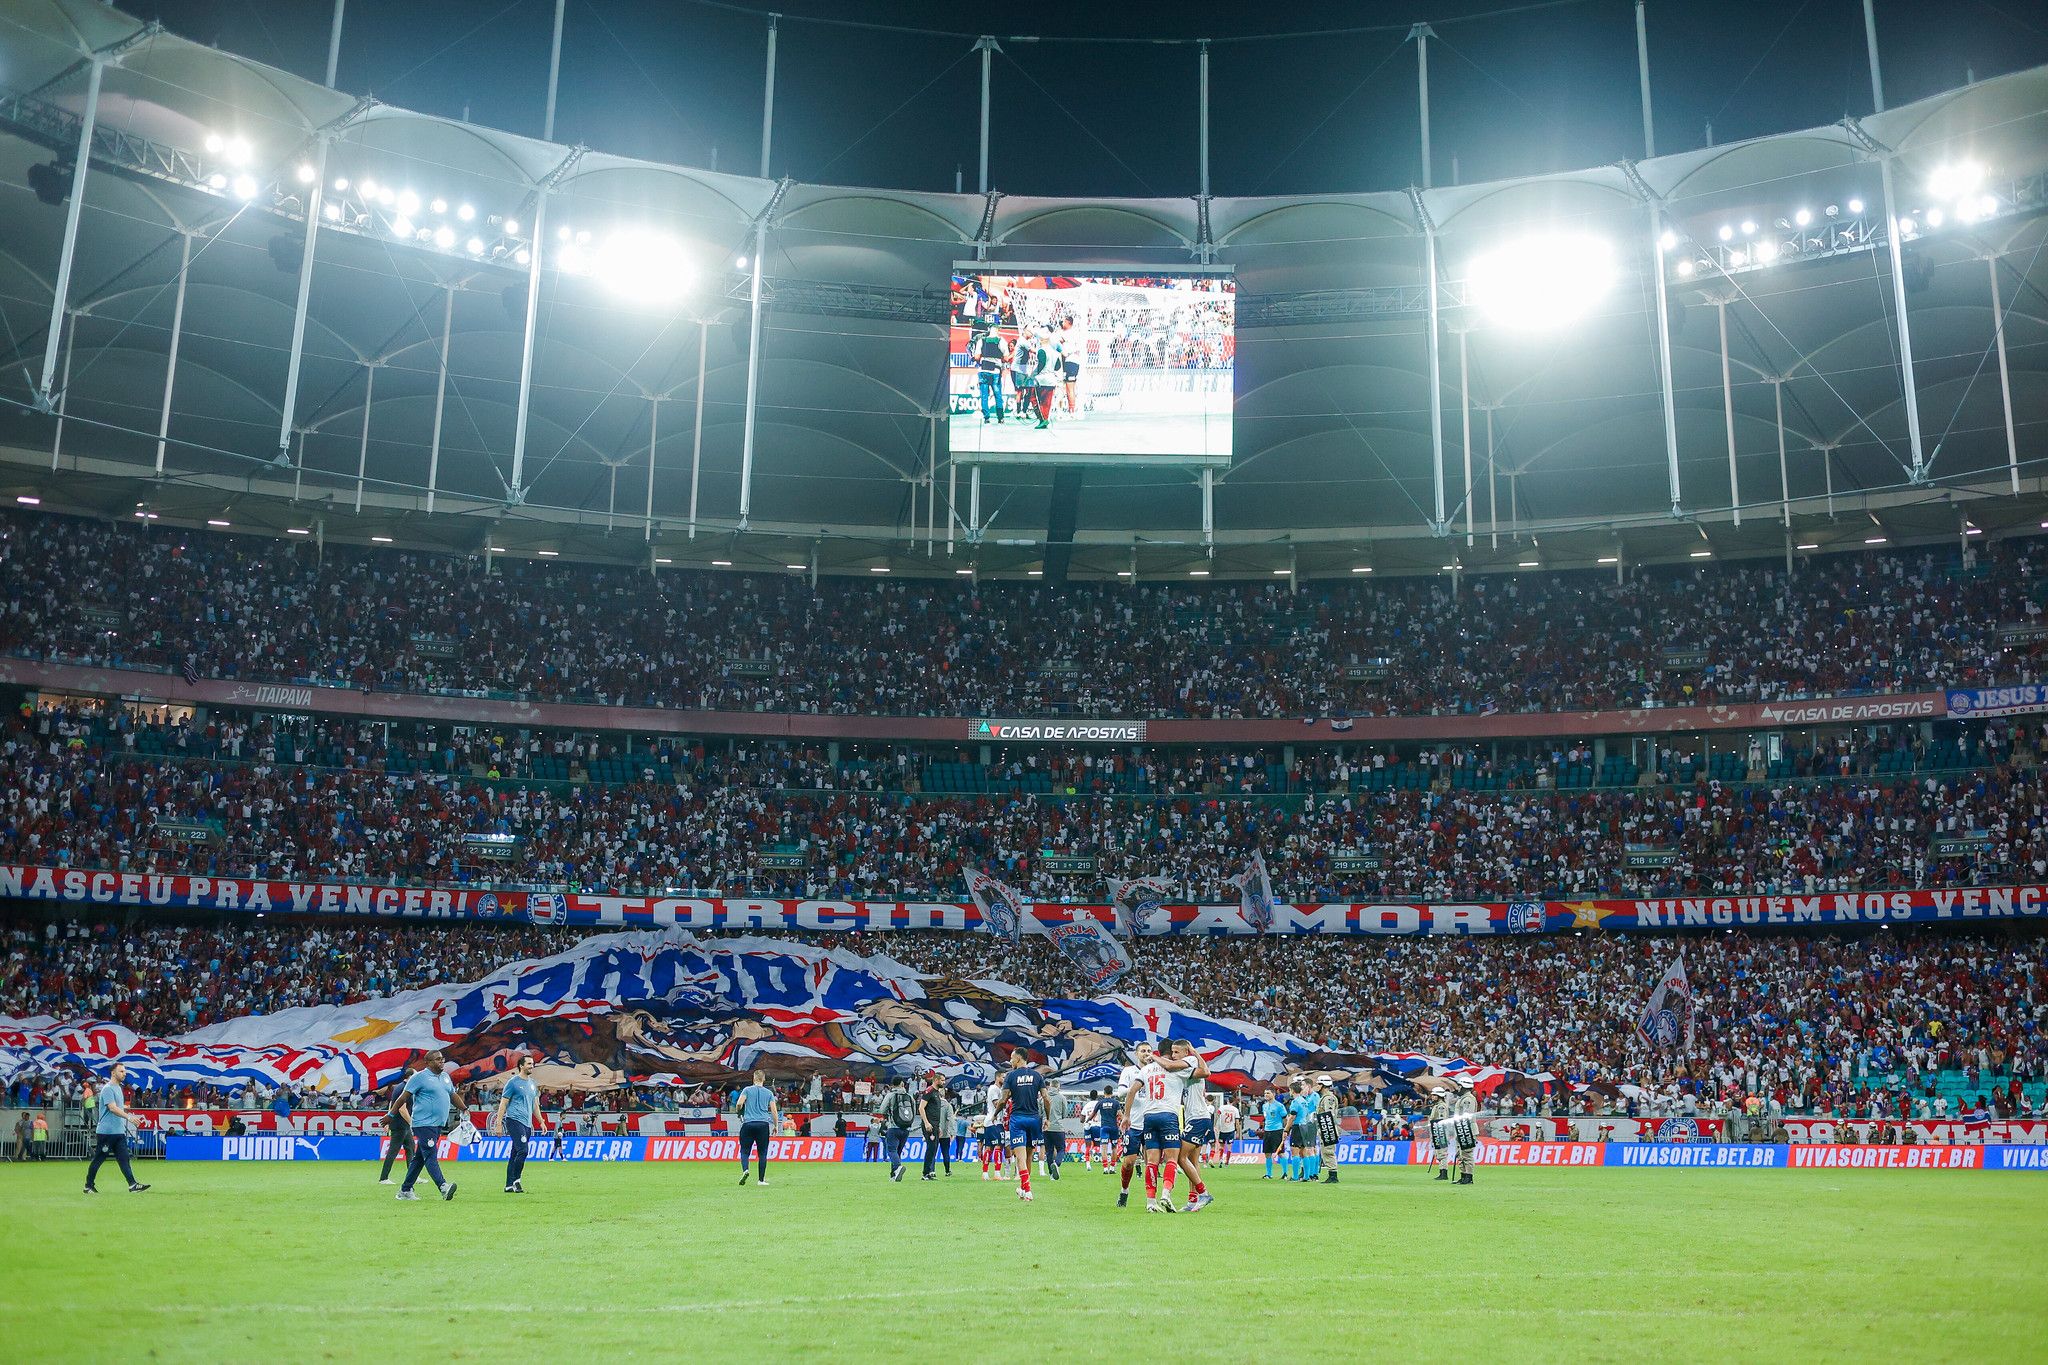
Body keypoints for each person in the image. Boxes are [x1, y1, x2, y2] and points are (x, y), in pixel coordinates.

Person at [1122, 1042, 1196, 1213]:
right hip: (1168, 1116)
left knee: (1152, 1162)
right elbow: (1204, 1073)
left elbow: (1132, 1091)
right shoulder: (1177, 1068)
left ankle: (1150, 1202)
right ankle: (1166, 1194)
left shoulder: (1147, 1069)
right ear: (1171, 1052)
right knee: (1171, 1159)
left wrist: (1126, 1115)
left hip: (1149, 1117)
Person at [397, 1050, 459, 1202]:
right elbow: (403, 1098)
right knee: (430, 1154)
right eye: (438, 1059)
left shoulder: (445, 1077)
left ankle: (405, 1190)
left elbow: (452, 1095)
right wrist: (391, 1115)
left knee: (419, 1158)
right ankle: (443, 1186)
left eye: (442, 1058)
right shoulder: (419, 1078)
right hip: (423, 1123)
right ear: (428, 1062)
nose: (442, 1061)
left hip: (437, 1123)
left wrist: (464, 1108)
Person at [82, 1062, 150, 1194]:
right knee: (99, 1158)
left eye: (124, 1071)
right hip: (107, 1132)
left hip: (118, 1131)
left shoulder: (118, 1088)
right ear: (113, 1073)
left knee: (124, 1158)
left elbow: (118, 1107)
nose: (124, 1074)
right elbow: (112, 1108)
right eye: (121, 1071)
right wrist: (129, 1117)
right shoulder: (108, 1089)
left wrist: (127, 1112)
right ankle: (88, 1185)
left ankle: (132, 1184)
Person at [1170, 1041, 1215, 1212]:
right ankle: (1193, 1200)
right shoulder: (1187, 1067)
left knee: (1181, 1157)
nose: (1174, 1055)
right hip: (1193, 1119)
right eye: (1172, 1052)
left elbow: (1206, 1072)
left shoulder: (1190, 1065)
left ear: (1185, 1052)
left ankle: (1204, 1193)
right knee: (1192, 1162)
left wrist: (1195, 1052)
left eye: (1176, 1052)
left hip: (1199, 1118)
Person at [1003, 1051, 1053, 1202]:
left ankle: (1028, 1190)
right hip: (1034, 1119)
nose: (1010, 1060)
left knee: (1020, 1157)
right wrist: (1047, 1118)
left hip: (1018, 1119)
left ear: (1018, 1058)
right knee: (1029, 1155)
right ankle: (1023, 1188)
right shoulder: (1037, 1076)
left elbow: (1003, 1099)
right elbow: (1047, 1099)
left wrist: (994, 1115)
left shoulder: (1011, 1076)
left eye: (1011, 1058)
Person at [494, 1054, 539, 1194]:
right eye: (529, 1064)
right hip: (514, 1120)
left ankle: (508, 1185)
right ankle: (516, 1180)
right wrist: (499, 1124)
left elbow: (535, 1105)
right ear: (521, 1066)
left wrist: (541, 1121)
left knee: (515, 1153)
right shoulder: (513, 1082)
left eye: (533, 1064)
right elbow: (504, 1102)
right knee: (523, 1151)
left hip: (527, 1123)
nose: (532, 1066)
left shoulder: (532, 1084)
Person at [733, 1068, 780, 1187]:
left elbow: (739, 1103)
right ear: (764, 1079)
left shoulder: (747, 1090)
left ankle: (745, 1170)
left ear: (753, 1078)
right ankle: (761, 1180)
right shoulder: (768, 1093)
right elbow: (774, 1111)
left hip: (748, 1123)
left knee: (744, 1151)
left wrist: (739, 1111)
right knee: (762, 1153)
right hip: (763, 1124)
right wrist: (776, 1125)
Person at [378, 1060, 417, 1185]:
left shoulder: (400, 1087)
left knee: (411, 1148)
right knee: (393, 1151)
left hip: (401, 1124)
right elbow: (401, 1108)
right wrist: (412, 1123)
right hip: (400, 1125)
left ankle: (413, 1176)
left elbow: (392, 1104)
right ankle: (383, 1178)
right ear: (410, 1077)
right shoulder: (403, 1088)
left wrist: (389, 1117)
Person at [876, 1078, 918, 1183]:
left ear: (892, 1085)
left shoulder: (890, 1095)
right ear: (902, 1084)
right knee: (897, 1152)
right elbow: (914, 1110)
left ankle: (898, 1167)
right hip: (906, 1129)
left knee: (891, 1150)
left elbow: (882, 1109)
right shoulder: (909, 1096)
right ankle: (893, 1175)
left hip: (893, 1127)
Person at [1447, 1077, 1479, 1185]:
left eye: (1460, 1086)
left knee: (1467, 1154)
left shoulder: (1468, 1099)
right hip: (1460, 1129)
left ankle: (1468, 1177)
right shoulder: (1463, 1098)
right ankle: (1463, 1175)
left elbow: (1466, 1116)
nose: (1458, 1088)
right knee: (1460, 1154)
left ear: (1464, 1087)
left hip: (1466, 1129)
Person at [919, 1077, 952, 1180]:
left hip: (935, 1125)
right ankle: (925, 1173)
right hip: (929, 1125)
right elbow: (921, 1108)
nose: (944, 1082)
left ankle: (928, 1172)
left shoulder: (937, 1093)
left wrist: (938, 1127)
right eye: (942, 1080)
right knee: (930, 1149)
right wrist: (926, 1123)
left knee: (933, 1149)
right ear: (936, 1080)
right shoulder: (929, 1091)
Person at [1316, 1078, 1342, 1184]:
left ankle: (1333, 1176)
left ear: (1323, 1085)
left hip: (1328, 1128)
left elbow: (1329, 1114)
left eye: (1318, 1084)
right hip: (1325, 1127)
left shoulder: (1328, 1098)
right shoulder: (1325, 1098)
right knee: (1325, 1152)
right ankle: (1331, 1174)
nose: (1317, 1086)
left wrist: (1326, 1130)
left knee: (1328, 1152)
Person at [1260, 1087, 1288, 1179]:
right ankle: (1268, 1174)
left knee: (1280, 1152)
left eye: (1268, 1093)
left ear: (1273, 1094)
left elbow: (1285, 1119)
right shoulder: (1264, 1106)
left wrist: (1285, 1130)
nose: (1266, 1095)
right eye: (1265, 1093)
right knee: (1267, 1153)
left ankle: (1285, 1173)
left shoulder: (1279, 1106)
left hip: (1277, 1131)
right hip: (1267, 1131)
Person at [1215, 1094, 1240, 1165]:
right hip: (1231, 1130)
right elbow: (1237, 1122)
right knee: (1229, 1147)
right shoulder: (1235, 1110)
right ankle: (1227, 1161)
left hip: (1222, 1129)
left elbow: (1217, 1114)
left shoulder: (1222, 1107)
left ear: (1227, 1101)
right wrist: (1237, 1132)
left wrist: (1215, 1125)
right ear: (1233, 1102)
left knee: (1222, 1145)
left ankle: (1220, 1159)